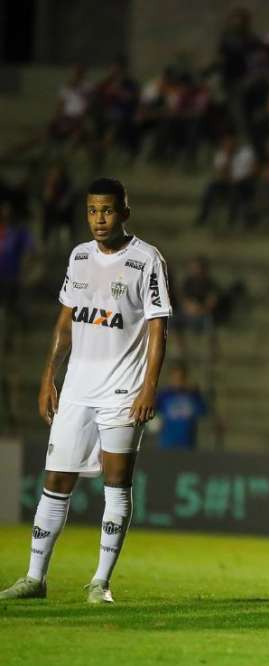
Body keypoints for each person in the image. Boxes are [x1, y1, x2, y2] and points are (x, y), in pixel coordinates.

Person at [0, 178, 171, 603]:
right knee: (55, 479)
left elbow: (158, 328)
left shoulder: (147, 259)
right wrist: (48, 377)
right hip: (77, 389)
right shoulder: (78, 257)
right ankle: (35, 578)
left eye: (108, 210)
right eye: (93, 210)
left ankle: (100, 582)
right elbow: (65, 323)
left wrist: (149, 387)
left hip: (123, 390)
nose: (100, 218)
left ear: (124, 213)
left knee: (117, 482)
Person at [154, 362, 208, 450]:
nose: (178, 381)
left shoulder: (192, 395)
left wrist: (197, 394)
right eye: (175, 377)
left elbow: (203, 411)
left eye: (181, 378)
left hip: (187, 442)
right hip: (167, 442)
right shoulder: (164, 395)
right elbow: (154, 411)